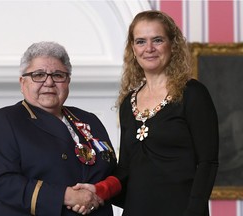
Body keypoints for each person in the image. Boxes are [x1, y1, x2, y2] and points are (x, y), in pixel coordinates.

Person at [73, 10, 219, 216]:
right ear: (133, 49)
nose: (149, 48)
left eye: (157, 40)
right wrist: (98, 191)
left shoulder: (192, 94)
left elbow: (207, 162)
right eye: (141, 41)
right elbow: (125, 169)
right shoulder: (127, 103)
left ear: (172, 45)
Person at [0, 41, 118, 216]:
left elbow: (113, 173)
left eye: (58, 75)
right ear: (23, 82)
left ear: (68, 81)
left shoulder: (89, 120)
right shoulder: (6, 120)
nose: (49, 82)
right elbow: (3, 181)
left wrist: (100, 191)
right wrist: (66, 196)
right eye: (38, 75)